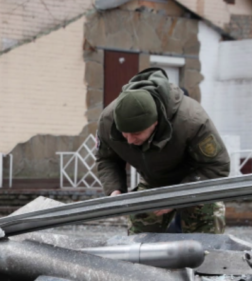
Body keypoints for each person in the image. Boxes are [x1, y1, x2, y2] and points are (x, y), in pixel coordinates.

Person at [95, 68, 230, 234]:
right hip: (154, 182)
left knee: (206, 241)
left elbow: (217, 165)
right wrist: (115, 189)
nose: (129, 140)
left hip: (196, 183)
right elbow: (106, 158)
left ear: (155, 123)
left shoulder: (192, 120)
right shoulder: (108, 121)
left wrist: (177, 196)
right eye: (124, 133)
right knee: (138, 243)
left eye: (136, 133)